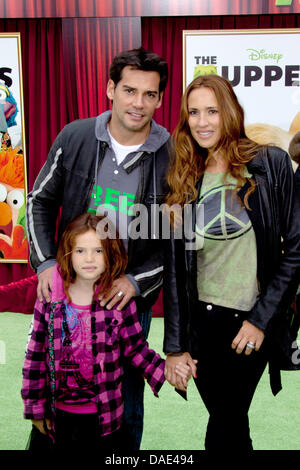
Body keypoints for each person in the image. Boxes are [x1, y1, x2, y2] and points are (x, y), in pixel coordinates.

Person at [25, 47, 170, 450]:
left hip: (126, 300)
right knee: (58, 388)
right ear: (110, 89)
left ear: (160, 99)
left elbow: (178, 241)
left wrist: (136, 281)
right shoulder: (75, 137)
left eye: (149, 94)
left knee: (124, 398)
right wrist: (47, 265)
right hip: (69, 296)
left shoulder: (173, 155)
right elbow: (38, 200)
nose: (138, 103)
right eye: (129, 90)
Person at [162, 74, 300, 452]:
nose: (202, 121)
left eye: (212, 111)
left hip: (249, 323)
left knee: (226, 419)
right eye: (193, 112)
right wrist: (174, 346)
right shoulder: (183, 178)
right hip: (202, 326)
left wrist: (261, 319)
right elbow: (175, 271)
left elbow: (297, 252)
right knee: (230, 423)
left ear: (231, 113)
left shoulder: (269, 165)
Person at [22, 213, 191, 450]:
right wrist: (35, 408)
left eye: (98, 251)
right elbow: (35, 358)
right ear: (68, 254)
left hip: (104, 419)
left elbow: (136, 350)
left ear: (110, 253)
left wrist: (167, 372)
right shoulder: (49, 299)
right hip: (57, 418)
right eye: (80, 251)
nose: (89, 258)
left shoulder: (117, 302)